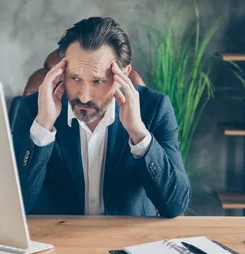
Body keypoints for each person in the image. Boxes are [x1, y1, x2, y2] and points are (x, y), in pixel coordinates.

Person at [12, 17, 191, 217]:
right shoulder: (32, 108)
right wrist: (43, 126)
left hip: (128, 243)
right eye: (75, 78)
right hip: (58, 241)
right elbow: (17, 206)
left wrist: (138, 133)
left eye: (98, 81)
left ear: (124, 74)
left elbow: (175, 205)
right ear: (61, 72)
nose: (83, 96)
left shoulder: (155, 108)